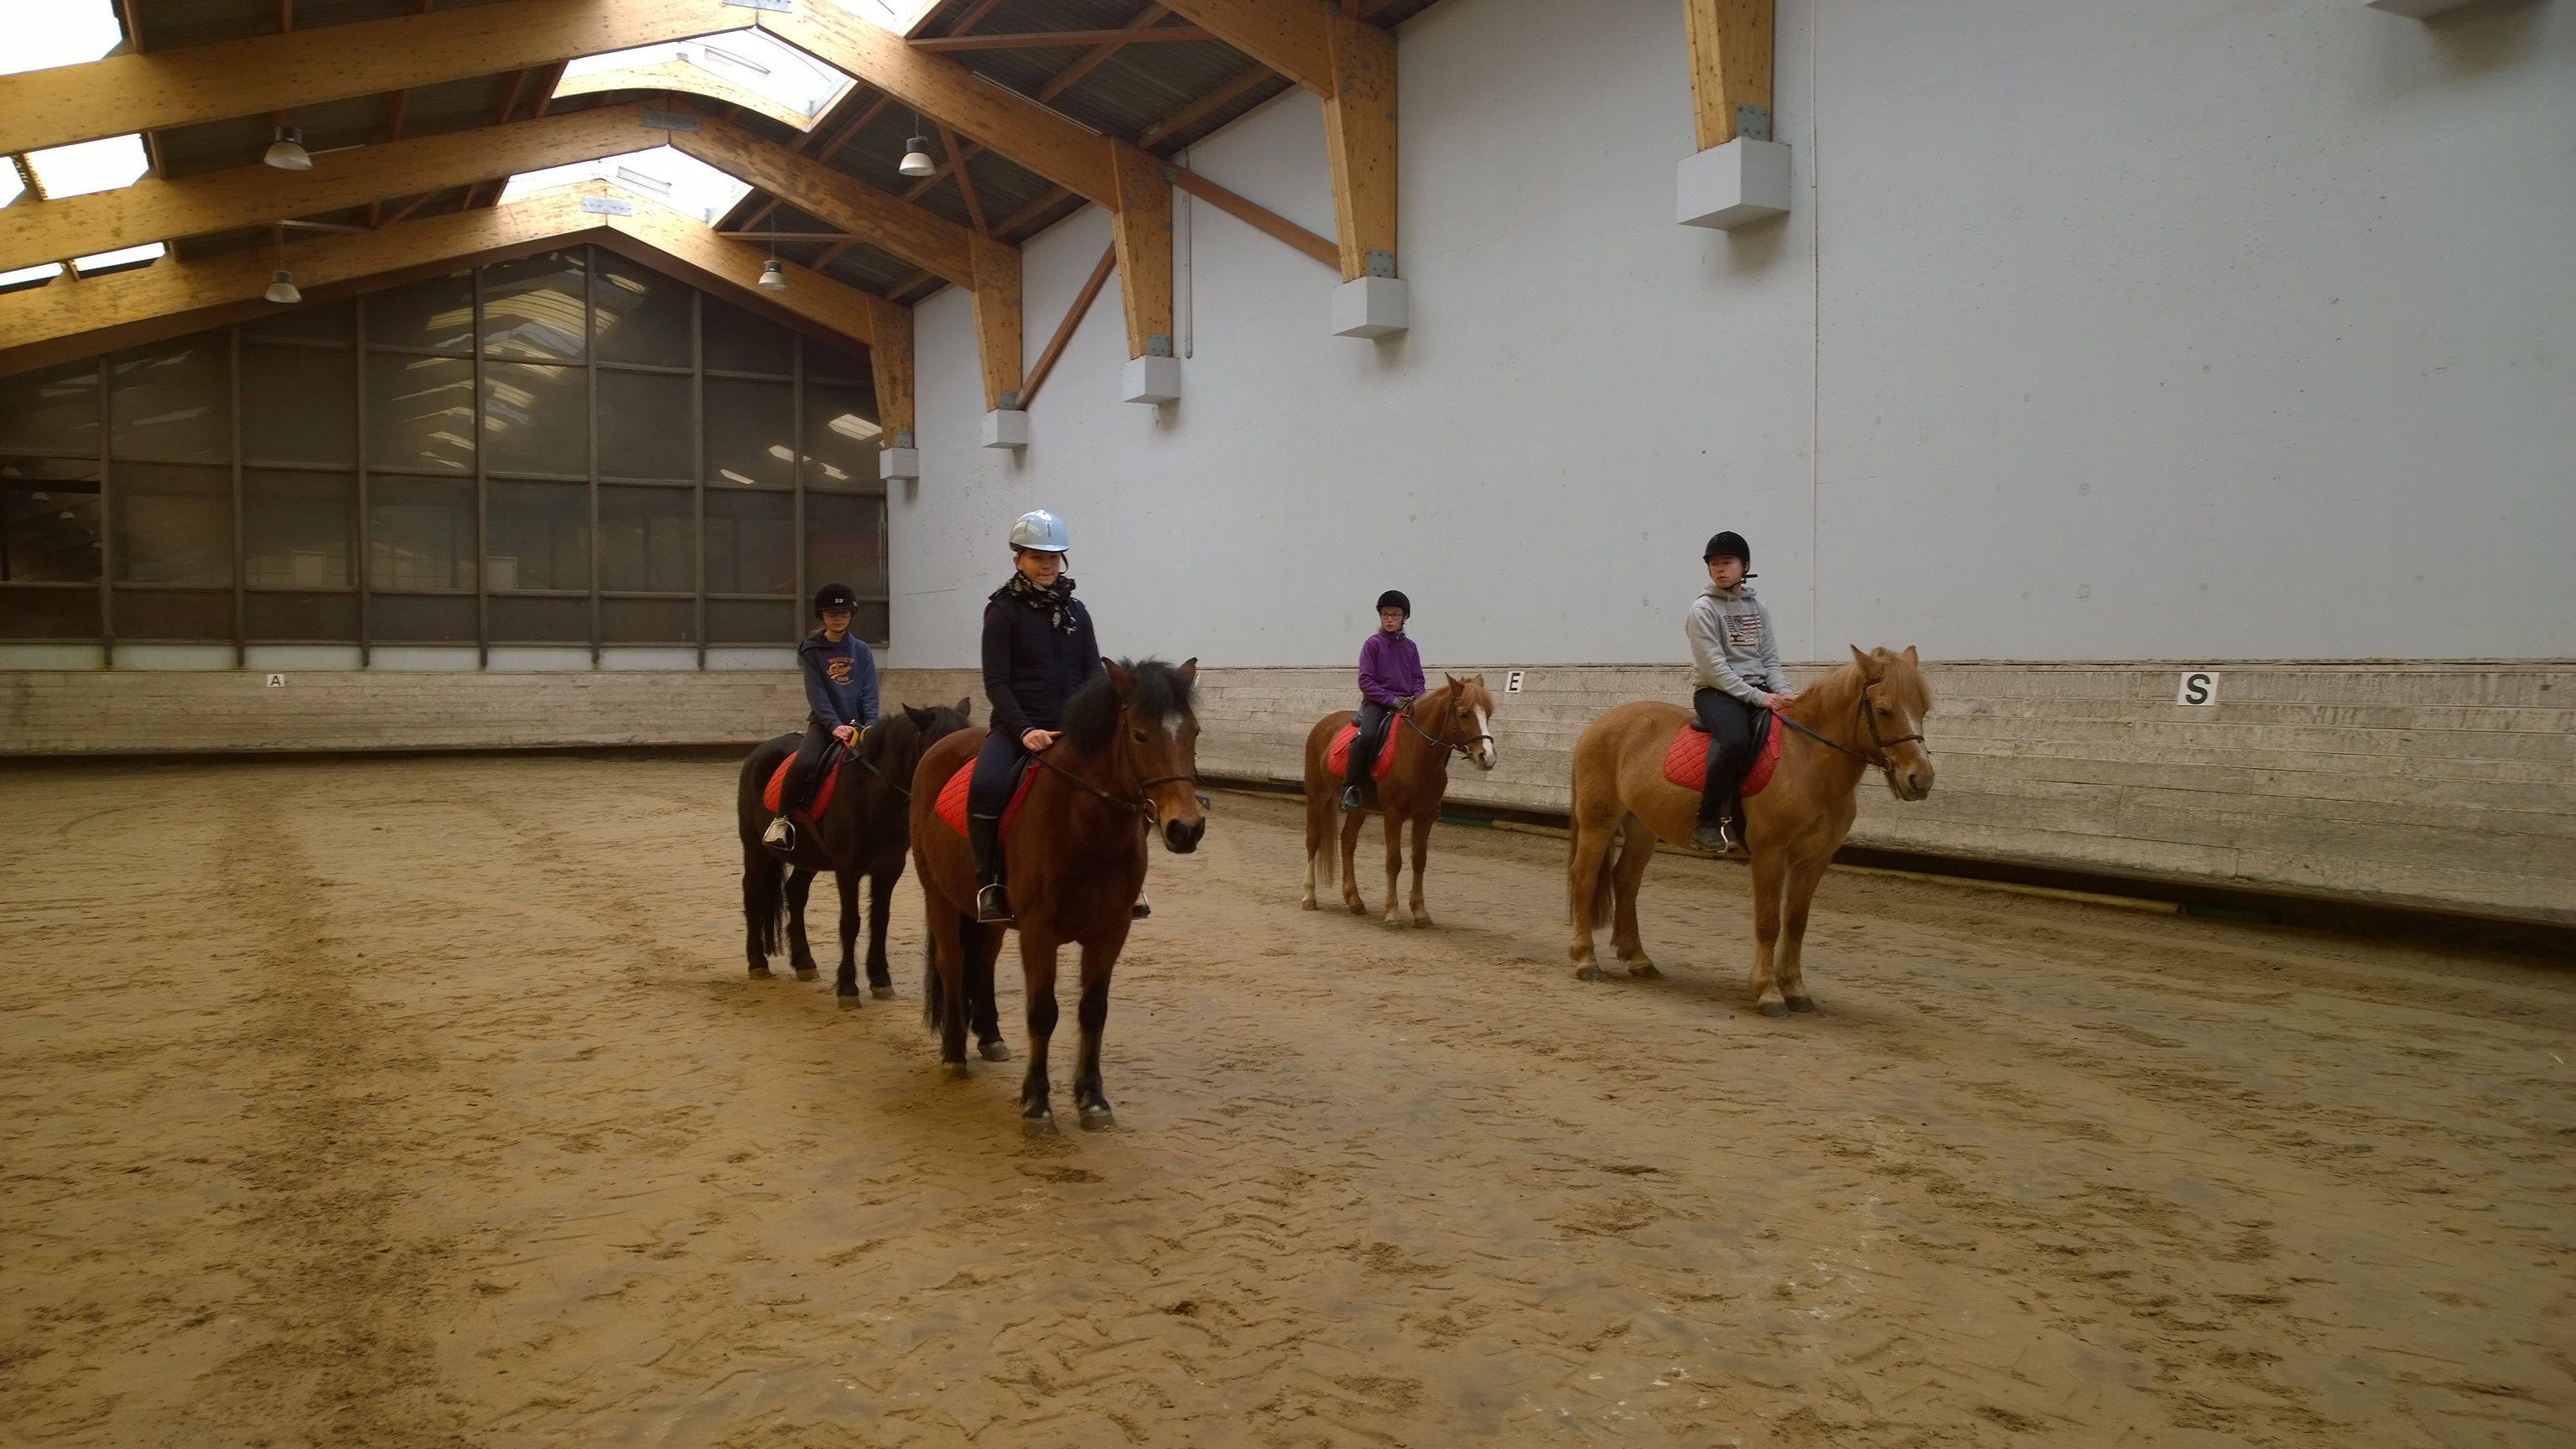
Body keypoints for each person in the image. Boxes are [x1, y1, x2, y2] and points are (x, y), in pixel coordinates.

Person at [969, 510, 1103, 924]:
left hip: (1072, 728)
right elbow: (996, 681)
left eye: (1053, 557)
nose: (1047, 565)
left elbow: (1093, 674)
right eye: (1037, 557)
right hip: (1018, 728)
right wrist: (1025, 730)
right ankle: (990, 881)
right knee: (986, 785)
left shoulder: (1077, 611)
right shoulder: (1002, 612)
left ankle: (1120, 880)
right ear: (1018, 560)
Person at [1684, 532, 1796, 854]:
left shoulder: (1758, 607)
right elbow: (1714, 669)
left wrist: (1784, 692)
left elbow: (1769, 660)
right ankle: (1706, 822)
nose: (1720, 569)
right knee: (1735, 741)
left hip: (1758, 688)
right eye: (1714, 564)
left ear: (1744, 566)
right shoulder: (1702, 610)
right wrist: (1759, 698)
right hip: (1716, 693)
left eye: (1727, 562)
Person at [764, 582, 880, 849]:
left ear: (851, 615)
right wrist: (833, 725)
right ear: (822, 616)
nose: (838, 618)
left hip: (862, 724)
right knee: (804, 763)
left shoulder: (862, 650)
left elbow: (870, 691)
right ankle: (781, 821)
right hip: (825, 725)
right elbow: (817, 694)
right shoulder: (812, 650)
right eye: (832, 613)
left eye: (843, 613)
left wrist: (872, 723)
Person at [1343, 589, 1425, 812]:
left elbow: (1418, 678)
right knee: (1367, 736)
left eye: (1395, 615)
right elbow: (1365, 680)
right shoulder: (1373, 644)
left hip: (1407, 704)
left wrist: (1416, 696)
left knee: (1428, 738)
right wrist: (1390, 700)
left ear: (1404, 617)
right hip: (1378, 703)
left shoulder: (1410, 647)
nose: (1389, 619)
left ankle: (1428, 794)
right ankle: (1350, 787)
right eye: (1385, 615)